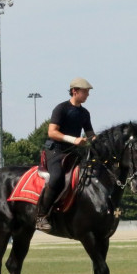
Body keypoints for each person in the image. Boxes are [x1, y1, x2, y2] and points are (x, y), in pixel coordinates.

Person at [35, 77, 96, 231]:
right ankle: (41, 216)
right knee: (56, 178)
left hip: (73, 153)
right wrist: (73, 139)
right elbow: (52, 132)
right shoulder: (61, 109)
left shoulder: (84, 113)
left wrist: (103, 143)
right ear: (74, 91)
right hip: (55, 151)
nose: (87, 95)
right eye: (85, 92)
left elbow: (91, 135)